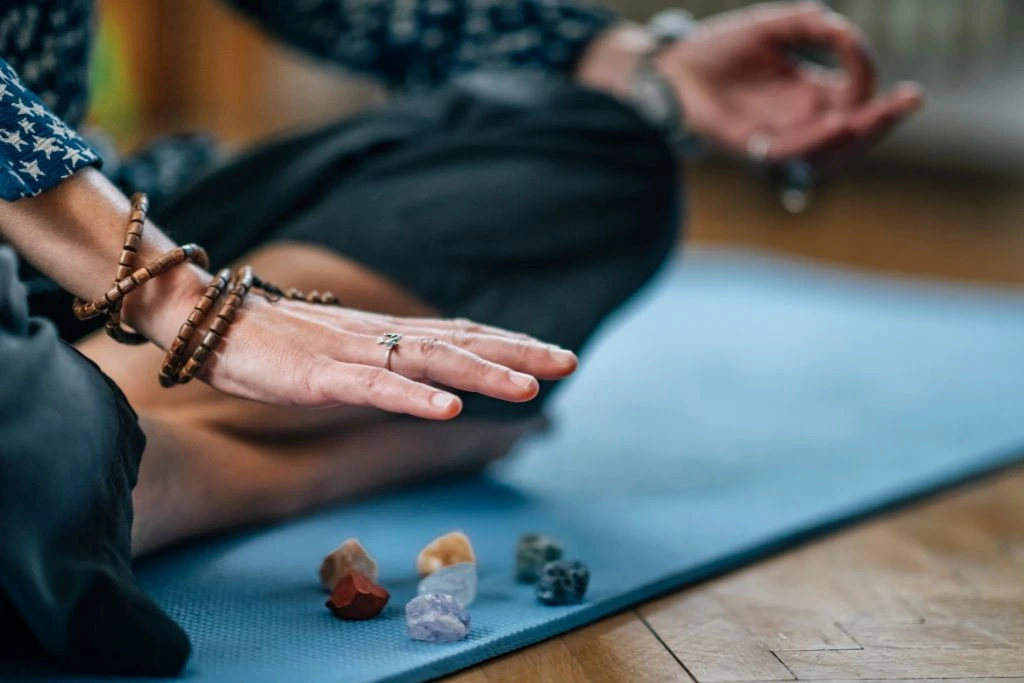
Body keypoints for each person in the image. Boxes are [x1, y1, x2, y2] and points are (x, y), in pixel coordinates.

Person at [0, 0, 922, 676]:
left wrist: (628, 63)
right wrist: (188, 308)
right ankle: (287, 456)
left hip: (85, 237)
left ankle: (95, 448)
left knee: (588, 155)